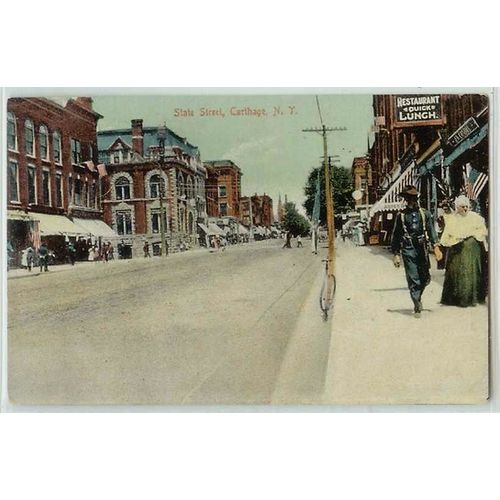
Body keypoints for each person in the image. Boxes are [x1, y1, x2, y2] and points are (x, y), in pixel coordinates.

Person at [391, 185, 442, 316]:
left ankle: (417, 297)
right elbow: (396, 236)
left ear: (417, 199)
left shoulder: (425, 214)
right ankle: (417, 304)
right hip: (408, 249)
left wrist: (436, 247)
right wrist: (396, 254)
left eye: (413, 199)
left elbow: (431, 231)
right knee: (414, 278)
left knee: (425, 278)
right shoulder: (400, 216)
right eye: (408, 199)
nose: (411, 202)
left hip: (422, 249)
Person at [439, 195, 488, 307]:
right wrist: (453, 240)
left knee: (472, 272)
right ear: (457, 207)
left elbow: (482, 231)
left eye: (467, 206)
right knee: (457, 272)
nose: (465, 209)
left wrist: (474, 235)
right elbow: (446, 235)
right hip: (457, 249)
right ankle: (457, 298)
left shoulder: (475, 217)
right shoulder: (453, 219)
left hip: (472, 249)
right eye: (462, 207)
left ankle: (472, 298)